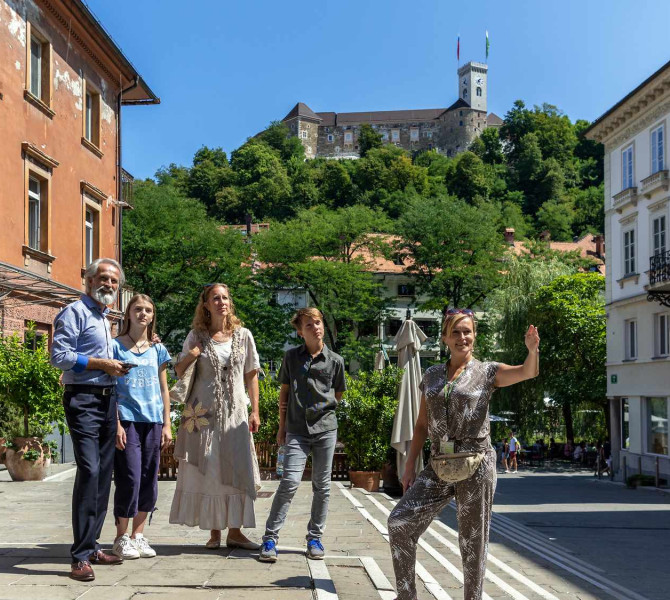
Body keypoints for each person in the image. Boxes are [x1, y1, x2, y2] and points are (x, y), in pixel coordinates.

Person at [387, 308, 540, 600]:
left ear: (475, 336)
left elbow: (527, 371)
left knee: (472, 543)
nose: (462, 337)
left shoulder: (487, 372)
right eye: (455, 332)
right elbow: (421, 424)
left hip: (476, 463)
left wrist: (532, 350)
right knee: (399, 522)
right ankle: (406, 595)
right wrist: (409, 466)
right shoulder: (431, 375)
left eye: (467, 331)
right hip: (438, 464)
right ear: (445, 337)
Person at [51, 258, 129, 581]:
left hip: (107, 401)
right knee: (90, 469)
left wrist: (116, 366)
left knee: (103, 474)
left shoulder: (104, 318)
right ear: (88, 280)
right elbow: (59, 356)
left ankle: (93, 544)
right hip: (82, 399)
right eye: (104, 279)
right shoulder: (75, 313)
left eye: (114, 281)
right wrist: (100, 364)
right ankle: (79, 557)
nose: (109, 285)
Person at [169, 283, 262, 550]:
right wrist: (193, 354)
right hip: (203, 414)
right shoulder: (196, 335)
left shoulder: (244, 336)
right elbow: (179, 370)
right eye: (215, 298)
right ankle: (214, 532)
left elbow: (251, 374)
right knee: (210, 468)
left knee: (236, 466)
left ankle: (235, 531)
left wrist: (255, 410)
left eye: (225, 298)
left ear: (230, 303)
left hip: (235, 414)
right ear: (206, 305)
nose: (221, 302)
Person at [259, 307, 346, 563]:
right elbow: (284, 392)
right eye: (309, 325)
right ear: (300, 332)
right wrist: (281, 426)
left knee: (323, 487)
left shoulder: (336, 361)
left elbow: (338, 394)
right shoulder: (291, 358)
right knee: (289, 483)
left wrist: (324, 411)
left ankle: (315, 538)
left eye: (318, 322)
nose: (316, 327)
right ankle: (270, 538)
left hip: (326, 429)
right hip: (296, 430)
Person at [111, 294, 172, 560]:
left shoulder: (158, 350)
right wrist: (115, 423)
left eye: (148, 310)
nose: (143, 314)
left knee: (149, 479)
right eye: (137, 309)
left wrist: (168, 423)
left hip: (154, 421)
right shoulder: (114, 347)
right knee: (130, 477)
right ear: (128, 314)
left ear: (152, 315)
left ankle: (138, 535)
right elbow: (109, 387)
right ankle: (121, 537)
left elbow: (164, 388)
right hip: (127, 419)